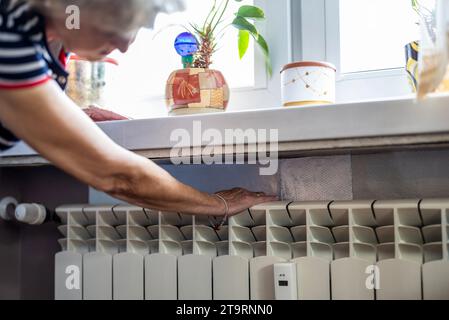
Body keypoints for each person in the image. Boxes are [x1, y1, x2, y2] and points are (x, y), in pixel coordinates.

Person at [0, 0, 276, 221]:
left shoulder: (48, 37)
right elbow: (119, 177)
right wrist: (218, 204)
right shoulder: (11, 41)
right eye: (113, 28)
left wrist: (71, 117)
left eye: (134, 28)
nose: (124, 45)